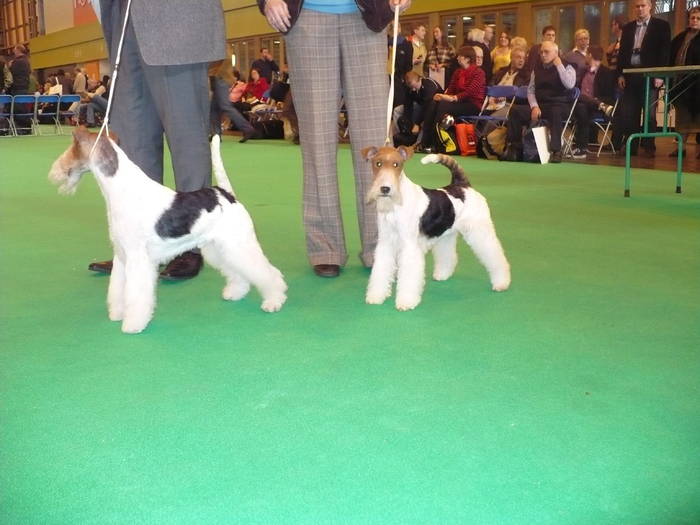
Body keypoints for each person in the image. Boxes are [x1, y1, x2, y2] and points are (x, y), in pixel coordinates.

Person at [259, 0, 410, 277]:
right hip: (307, 18)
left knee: (375, 143)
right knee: (316, 141)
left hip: (367, 16)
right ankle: (325, 247)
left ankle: (380, 244)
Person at [87, 0, 226, 279]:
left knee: (185, 137)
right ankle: (141, 245)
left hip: (176, 20)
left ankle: (189, 241)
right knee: (133, 142)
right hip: (122, 20)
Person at [502, 40, 576, 163]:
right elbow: (530, 91)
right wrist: (534, 107)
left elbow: (569, 85)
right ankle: (515, 148)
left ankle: (556, 151)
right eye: (541, 52)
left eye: (546, 52)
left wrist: (559, 66)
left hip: (559, 104)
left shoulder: (568, 66)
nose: (543, 55)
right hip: (541, 105)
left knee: (555, 112)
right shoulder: (536, 69)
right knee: (515, 110)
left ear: (556, 53)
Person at [613, 0, 671, 157]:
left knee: (650, 113)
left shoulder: (661, 26)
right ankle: (632, 147)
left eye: (643, 6)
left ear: (650, 6)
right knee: (629, 112)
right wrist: (620, 74)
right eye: (637, 6)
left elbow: (665, 52)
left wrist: (660, 74)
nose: (640, 9)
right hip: (631, 74)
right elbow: (623, 53)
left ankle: (649, 147)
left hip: (651, 75)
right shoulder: (628, 28)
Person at [420, 45, 485, 152]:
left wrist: (453, 98)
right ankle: (425, 142)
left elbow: (470, 92)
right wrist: (443, 96)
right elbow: (451, 89)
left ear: (467, 58)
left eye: (460, 56)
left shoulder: (479, 73)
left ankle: (436, 143)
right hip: (458, 102)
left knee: (443, 105)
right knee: (434, 103)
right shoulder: (457, 72)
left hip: (472, 104)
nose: (457, 58)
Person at [569, 45, 617, 159]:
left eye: (586, 54)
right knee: (579, 102)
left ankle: (581, 147)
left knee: (581, 107)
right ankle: (581, 147)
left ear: (589, 55)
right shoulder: (583, 71)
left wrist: (597, 100)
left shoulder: (606, 73)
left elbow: (610, 97)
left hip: (596, 107)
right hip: (582, 104)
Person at [668, 6, 700, 158]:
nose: (694, 21)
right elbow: (670, 56)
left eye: (698, 18)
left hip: (697, 85)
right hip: (680, 83)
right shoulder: (680, 37)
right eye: (692, 18)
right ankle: (681, 148)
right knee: (682, 117)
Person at [209, 59, 260, 142]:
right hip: (219, 78)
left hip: (221, 78)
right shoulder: (221, 51)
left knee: (225, 106)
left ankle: (247, 129)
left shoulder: (219, 53)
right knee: (214, 108)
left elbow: (216, 66)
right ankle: (216, 135)